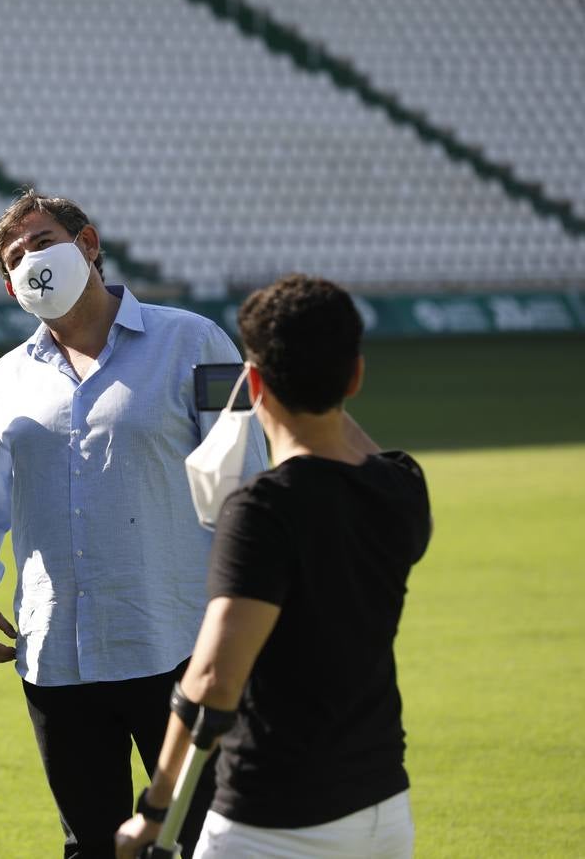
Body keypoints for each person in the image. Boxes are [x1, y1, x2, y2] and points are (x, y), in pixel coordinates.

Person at [0, 192, 268, 858]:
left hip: (177, 644)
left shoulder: (195, 340)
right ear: (8, 286)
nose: (31, 259)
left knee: (209, 840)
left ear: (87, 243)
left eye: (42, 240)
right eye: (15, 257)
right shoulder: (7, 377)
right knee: (91, 845)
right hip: (57, 657)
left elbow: (246, 485)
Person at [115, 274, 432, 859]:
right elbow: (361, 453)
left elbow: (212, 680)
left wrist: (154, 812)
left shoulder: (263, 509)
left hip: (272, 818)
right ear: (356, 376)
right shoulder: (403, 487)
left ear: (254, 383)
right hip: (384, 805)